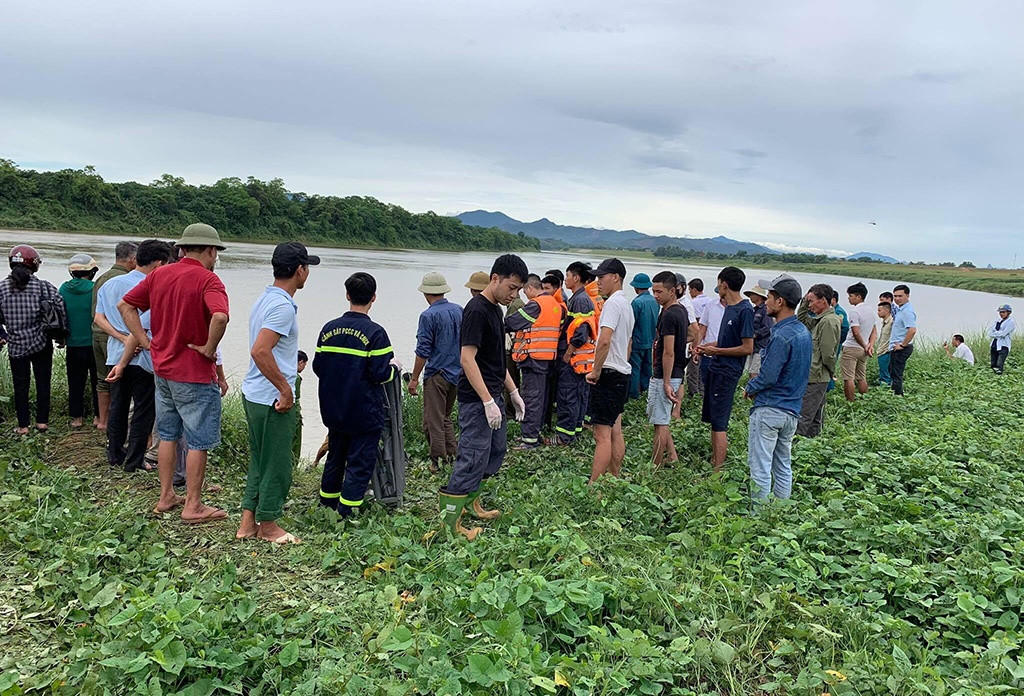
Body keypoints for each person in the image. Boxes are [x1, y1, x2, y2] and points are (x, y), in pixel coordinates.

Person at [120, 223, 230, 524]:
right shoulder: (210, 281)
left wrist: (146, 343)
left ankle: (166, 495)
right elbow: (220, 316)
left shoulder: (159, 274)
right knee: (198, 441)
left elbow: (125, 306)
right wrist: (208, 348)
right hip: (193, 373)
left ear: (181, 249)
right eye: (215, 253)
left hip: (163, 370)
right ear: (210, 251)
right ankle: (193, 505)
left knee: (167, 434)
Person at [235, 242, 318, 544]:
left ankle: (247, 523)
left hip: (254, 394)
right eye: (307, 267)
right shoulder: (283, 306)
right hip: (271, 399)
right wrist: (285, 390)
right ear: (299, 270)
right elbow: (260, 350)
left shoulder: (266, 298)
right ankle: (268, 524)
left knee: (260, 459)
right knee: (279, 462)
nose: (307, 273)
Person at [440, 255, 528, 540]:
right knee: (472, 456)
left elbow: (495, 360)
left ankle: (471, 503)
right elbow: (467, 359)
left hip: (493, 395)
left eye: (518, 290)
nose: (514, 295)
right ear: (495, 279)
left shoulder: (496, 310)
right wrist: (487, 401)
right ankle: (450, 523)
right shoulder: (477, 310)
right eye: (511, 287)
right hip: (477, 399)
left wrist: (513, 391)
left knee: (495, 451)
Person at [315, 272, 398, 519]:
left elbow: (319, 367)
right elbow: (380, 373)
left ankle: (326, 504)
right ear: (373, 298)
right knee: (360, 463)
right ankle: (346, 511)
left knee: (336, 458)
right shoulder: (376, 333)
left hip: (333, 410)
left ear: (347, 295)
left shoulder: (328, 329)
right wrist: (395, 369)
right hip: (363, 411)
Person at [100, 240, 175, 473]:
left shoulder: (110, 284)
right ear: (161, 263)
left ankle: (114, 455)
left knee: (118, 406)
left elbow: (98, 318)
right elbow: (144, 321)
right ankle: (133, 461)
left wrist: (121, 339)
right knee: (143, 410)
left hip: (114, 354)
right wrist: (140, 342)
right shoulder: (155, 285)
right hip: (143, 356)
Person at [742, 274, 811, 504]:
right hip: (791, 410)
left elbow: (769, 376)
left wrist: (750, 387)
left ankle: (759, 518)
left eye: (769, 296)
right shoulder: (803, 332)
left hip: (770, 409)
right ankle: (780, 513)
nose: (766, 301)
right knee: (783, 464)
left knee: (760, 466)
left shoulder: (781, 335)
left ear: (780, 301)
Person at [0, 245, 66, 435]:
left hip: (16, 345)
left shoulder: (2, 288)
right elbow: (59, 310)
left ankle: (23, 426)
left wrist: (5, 331)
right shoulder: (44, 287)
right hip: (41, 343)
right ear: (34, 265)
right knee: (43, 381)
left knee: (20, 385)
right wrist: (60, 337)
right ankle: (42, 422)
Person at [694, 267, 754, 473]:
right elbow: (727, 340)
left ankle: (717, 472)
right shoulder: (729, 307)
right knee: (712, 419)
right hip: (716, 366)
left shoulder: (745, 310)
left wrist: (717, 350)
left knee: (720, 422)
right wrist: (706, 347)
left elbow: (748, 347)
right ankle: (713, 461)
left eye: (719, 283)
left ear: (724, 284)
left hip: (728, 372)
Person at [586, 259, 634, 483]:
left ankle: (594, 486)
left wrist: (596, 371)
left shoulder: (612, 305)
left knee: (601, 435)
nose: (598, 282)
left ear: (615, 277)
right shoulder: (626, 304)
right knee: (616, 428)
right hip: (622, 372)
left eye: (602, 277)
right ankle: (614, 476)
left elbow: (604, 341)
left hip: (609, 373)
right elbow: (628, 342)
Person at [409, 271, 462, 473]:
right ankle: (452, 455)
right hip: (457, 373)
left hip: (437, 373)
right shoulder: (459, 310)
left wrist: (414, 378)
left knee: (433, 420)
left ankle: (437, 461)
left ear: (426, 293)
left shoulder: (428, 316)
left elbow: (423, 350)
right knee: (445, 416)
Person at [505, 274, 563, 449]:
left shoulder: (535, 305)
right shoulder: (556, 305)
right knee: (541, 398)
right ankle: (534, 433)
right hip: (547, 358)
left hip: (533, 358)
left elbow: (511, 322)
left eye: (523, 290)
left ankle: (529, 438)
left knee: (531, 398)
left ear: (530, 288)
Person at [91, 241, 137, 430]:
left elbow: (95, 312)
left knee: (103, 379)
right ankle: (123, 426)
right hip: (118, 337)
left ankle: (103, 421)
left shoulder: (102, 278)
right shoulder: (129, 281)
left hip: (97, 334)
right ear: (133, 259)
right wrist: (124, 338)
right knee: (123, 382)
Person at [550, 261, 596, 446]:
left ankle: (564, 436)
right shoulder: (581, 298)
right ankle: (575, 429)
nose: (566, 279)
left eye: (567, 276)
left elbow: (580, 333)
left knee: (568, 394)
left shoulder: (580, 300)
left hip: (575, 358)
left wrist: (568, 353)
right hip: (581, 359)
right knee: (578, 394)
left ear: (576, 278)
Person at [648, 271, 688, 467]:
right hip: (675, 373)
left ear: (672, 291)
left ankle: (655, 466)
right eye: (653, 291)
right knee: (661, 417)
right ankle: (672, 456)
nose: (655, 296)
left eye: (659, 292)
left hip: (667, 373)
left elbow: (668, 352)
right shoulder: (679, 310)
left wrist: (665, 381)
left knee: (660, 423)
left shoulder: (670, 315)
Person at [796, 284, 842, 437]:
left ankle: (795, 450)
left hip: (817, 377)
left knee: (804, 417)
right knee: (815, 417)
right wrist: (805, 299)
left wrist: (830, 372)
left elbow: (828, 354)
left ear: (823, 301)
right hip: (816, 376)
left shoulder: (828, 322)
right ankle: (812, 446)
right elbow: (801, 318)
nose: (810, 305)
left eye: (812, 301)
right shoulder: (819, 320)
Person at [60, 254, 100, 428]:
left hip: (73, 343)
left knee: (75, 382)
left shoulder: (63, 289)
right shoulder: (95, 288)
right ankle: (99, 416)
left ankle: (77, 418)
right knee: (98, 381)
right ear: (91, 272)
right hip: (94, 342)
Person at [840, 282, 877, 401]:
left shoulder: (855, 311)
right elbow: (874, 331)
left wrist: (865, 345)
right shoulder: (870, 310)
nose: (849, 298)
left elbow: (855, 332)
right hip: (863, 349)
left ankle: (850, 402)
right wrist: (869, 345)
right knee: (861, 377)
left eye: (851, 296)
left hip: (851, 347)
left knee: (848, 377)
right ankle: (864, 399)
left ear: (858, 296)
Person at [627, 273, 659, 400]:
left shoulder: (636, 302)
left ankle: (634, 396)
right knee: (647, 368)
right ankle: (646, 394)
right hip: (650, 340)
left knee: (634, 369)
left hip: (637, 341)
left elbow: (631, 323)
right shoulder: (655, 301)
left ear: (636, 287)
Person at [672, 273, 699, 413]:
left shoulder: (685, 305)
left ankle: (677, 410)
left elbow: (695, 330)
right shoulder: (678, 302)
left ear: (682, 287)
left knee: (679, 378)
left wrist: (693, 347)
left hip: (681, 349)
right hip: (678, 347)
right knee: (678, 377)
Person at [888, 284, 917, 396]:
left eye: (900, 296)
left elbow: (912, 330)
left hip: (901, 348)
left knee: (896, 376)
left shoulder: (907, 311)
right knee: (893, 373)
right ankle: (897, 395)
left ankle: (897, 398)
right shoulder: (901, 309)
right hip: (897, 347)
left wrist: (902, 345)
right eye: (895, 296)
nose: (897, 299)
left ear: (907, 295)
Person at [684, 278, 708, 399]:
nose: (689, 293)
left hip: (698, 343)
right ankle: (702, 396)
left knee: (692, 372)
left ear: (694, 289)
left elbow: (696, 326)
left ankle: (693, 396)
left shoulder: (693, 304)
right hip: (708, 344)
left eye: (690, 290)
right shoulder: (710, 301)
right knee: (702, 373)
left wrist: (694, 345)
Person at [743, 285, 773, 379]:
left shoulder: (764, 310)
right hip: (753, 346)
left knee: (754, 373)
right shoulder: (754, 310)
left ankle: (754, 392)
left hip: (761, 346)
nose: (750, 297)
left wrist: (755, 334)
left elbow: (767, 327)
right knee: (750, 371)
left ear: (758, 296)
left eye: (752, 294)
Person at [988, 304, 1015, 374]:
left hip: (1003, 346)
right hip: (994, 344)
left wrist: (995, 333)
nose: (1001, 314)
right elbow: (990, 332)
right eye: (1000, 312)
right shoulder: (997, 321)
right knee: (993, 364)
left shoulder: (1011, 322)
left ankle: (999, 378)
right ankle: (993, 379)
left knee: (999, 365)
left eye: (1003, 312)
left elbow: (1003, 334)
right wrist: (998, 334)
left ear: (1008, 312)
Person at [293, 350, 308, 463]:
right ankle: (294, 464)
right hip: (294, 413)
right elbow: (295, 398)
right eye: (305, 364)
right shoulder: (296, 378)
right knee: (296, 441)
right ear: (300, 362)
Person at [875, 301, 894, 385]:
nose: (878, 312)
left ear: (886, 311)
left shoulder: (892, 322)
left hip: (886, 352)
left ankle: (885, 391)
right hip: (881, 352)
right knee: (883, 373)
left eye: (879, 310)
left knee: (885, 375)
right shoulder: (885, 322)